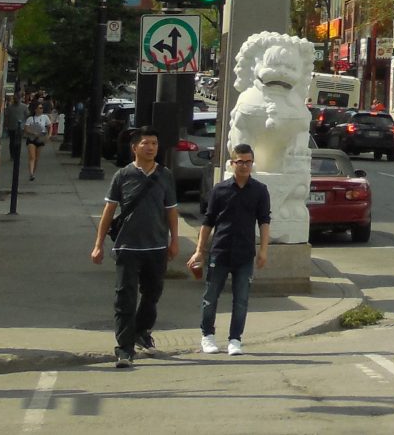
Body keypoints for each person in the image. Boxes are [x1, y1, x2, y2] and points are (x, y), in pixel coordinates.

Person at [90, 127, 180, 369]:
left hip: (156, 247)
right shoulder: (123, 175)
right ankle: (124, 349)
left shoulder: (165, 175)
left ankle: (141, 331)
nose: (151, 147)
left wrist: (175, 240)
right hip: (128, 247)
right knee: (125, 299)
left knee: (152, 296)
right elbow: (109, 211)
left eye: (154, 143)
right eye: (145, 143)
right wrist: (98, 245)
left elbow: (171, 210)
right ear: (135, 148)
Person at [189, 143, 270, 356]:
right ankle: (207, 335)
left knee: (241, 299)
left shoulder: (260, 190)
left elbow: (264, 221)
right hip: (220, 251)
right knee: (211, 296)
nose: (244, 166)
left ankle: (235, 339)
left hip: (245, 253)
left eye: (248, 162)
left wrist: (263, 250)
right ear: (232, 163)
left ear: (252, 163)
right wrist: (199, 250)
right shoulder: (220, 190)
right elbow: (208, 222)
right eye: (240, 161)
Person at [23, 96, 53, 181]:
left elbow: (50, 126)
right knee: (32, 156)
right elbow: (26, 128)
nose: (41, 109)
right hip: (32, 139)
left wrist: (49, 135)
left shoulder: (45, 117)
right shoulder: (30, 118)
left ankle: (33, 172)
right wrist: (32, 132)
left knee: (37, 158)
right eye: (40, 108)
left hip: (41, 138)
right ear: (35, 109)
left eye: (42, 108)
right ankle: (31, 173)